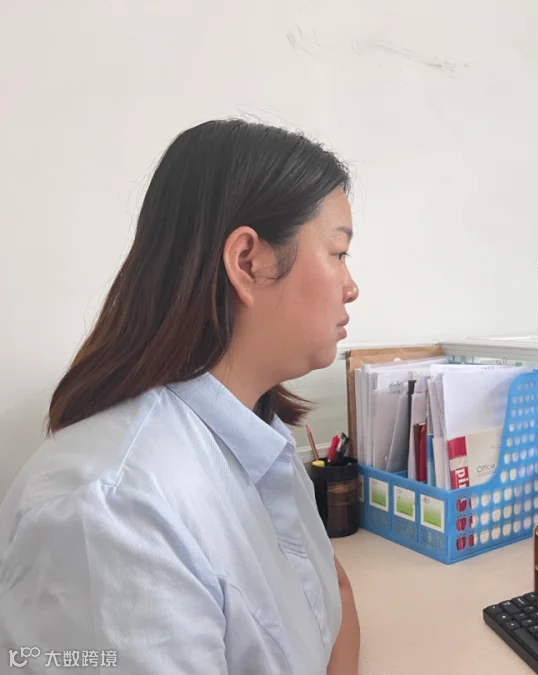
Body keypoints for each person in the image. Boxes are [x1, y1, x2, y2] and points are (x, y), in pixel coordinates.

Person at [0, 120, 361, 674]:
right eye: (338, 253)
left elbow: (331, 601)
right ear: (249, 262)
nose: (351, 286)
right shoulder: (112, 516)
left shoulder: (257, 436)